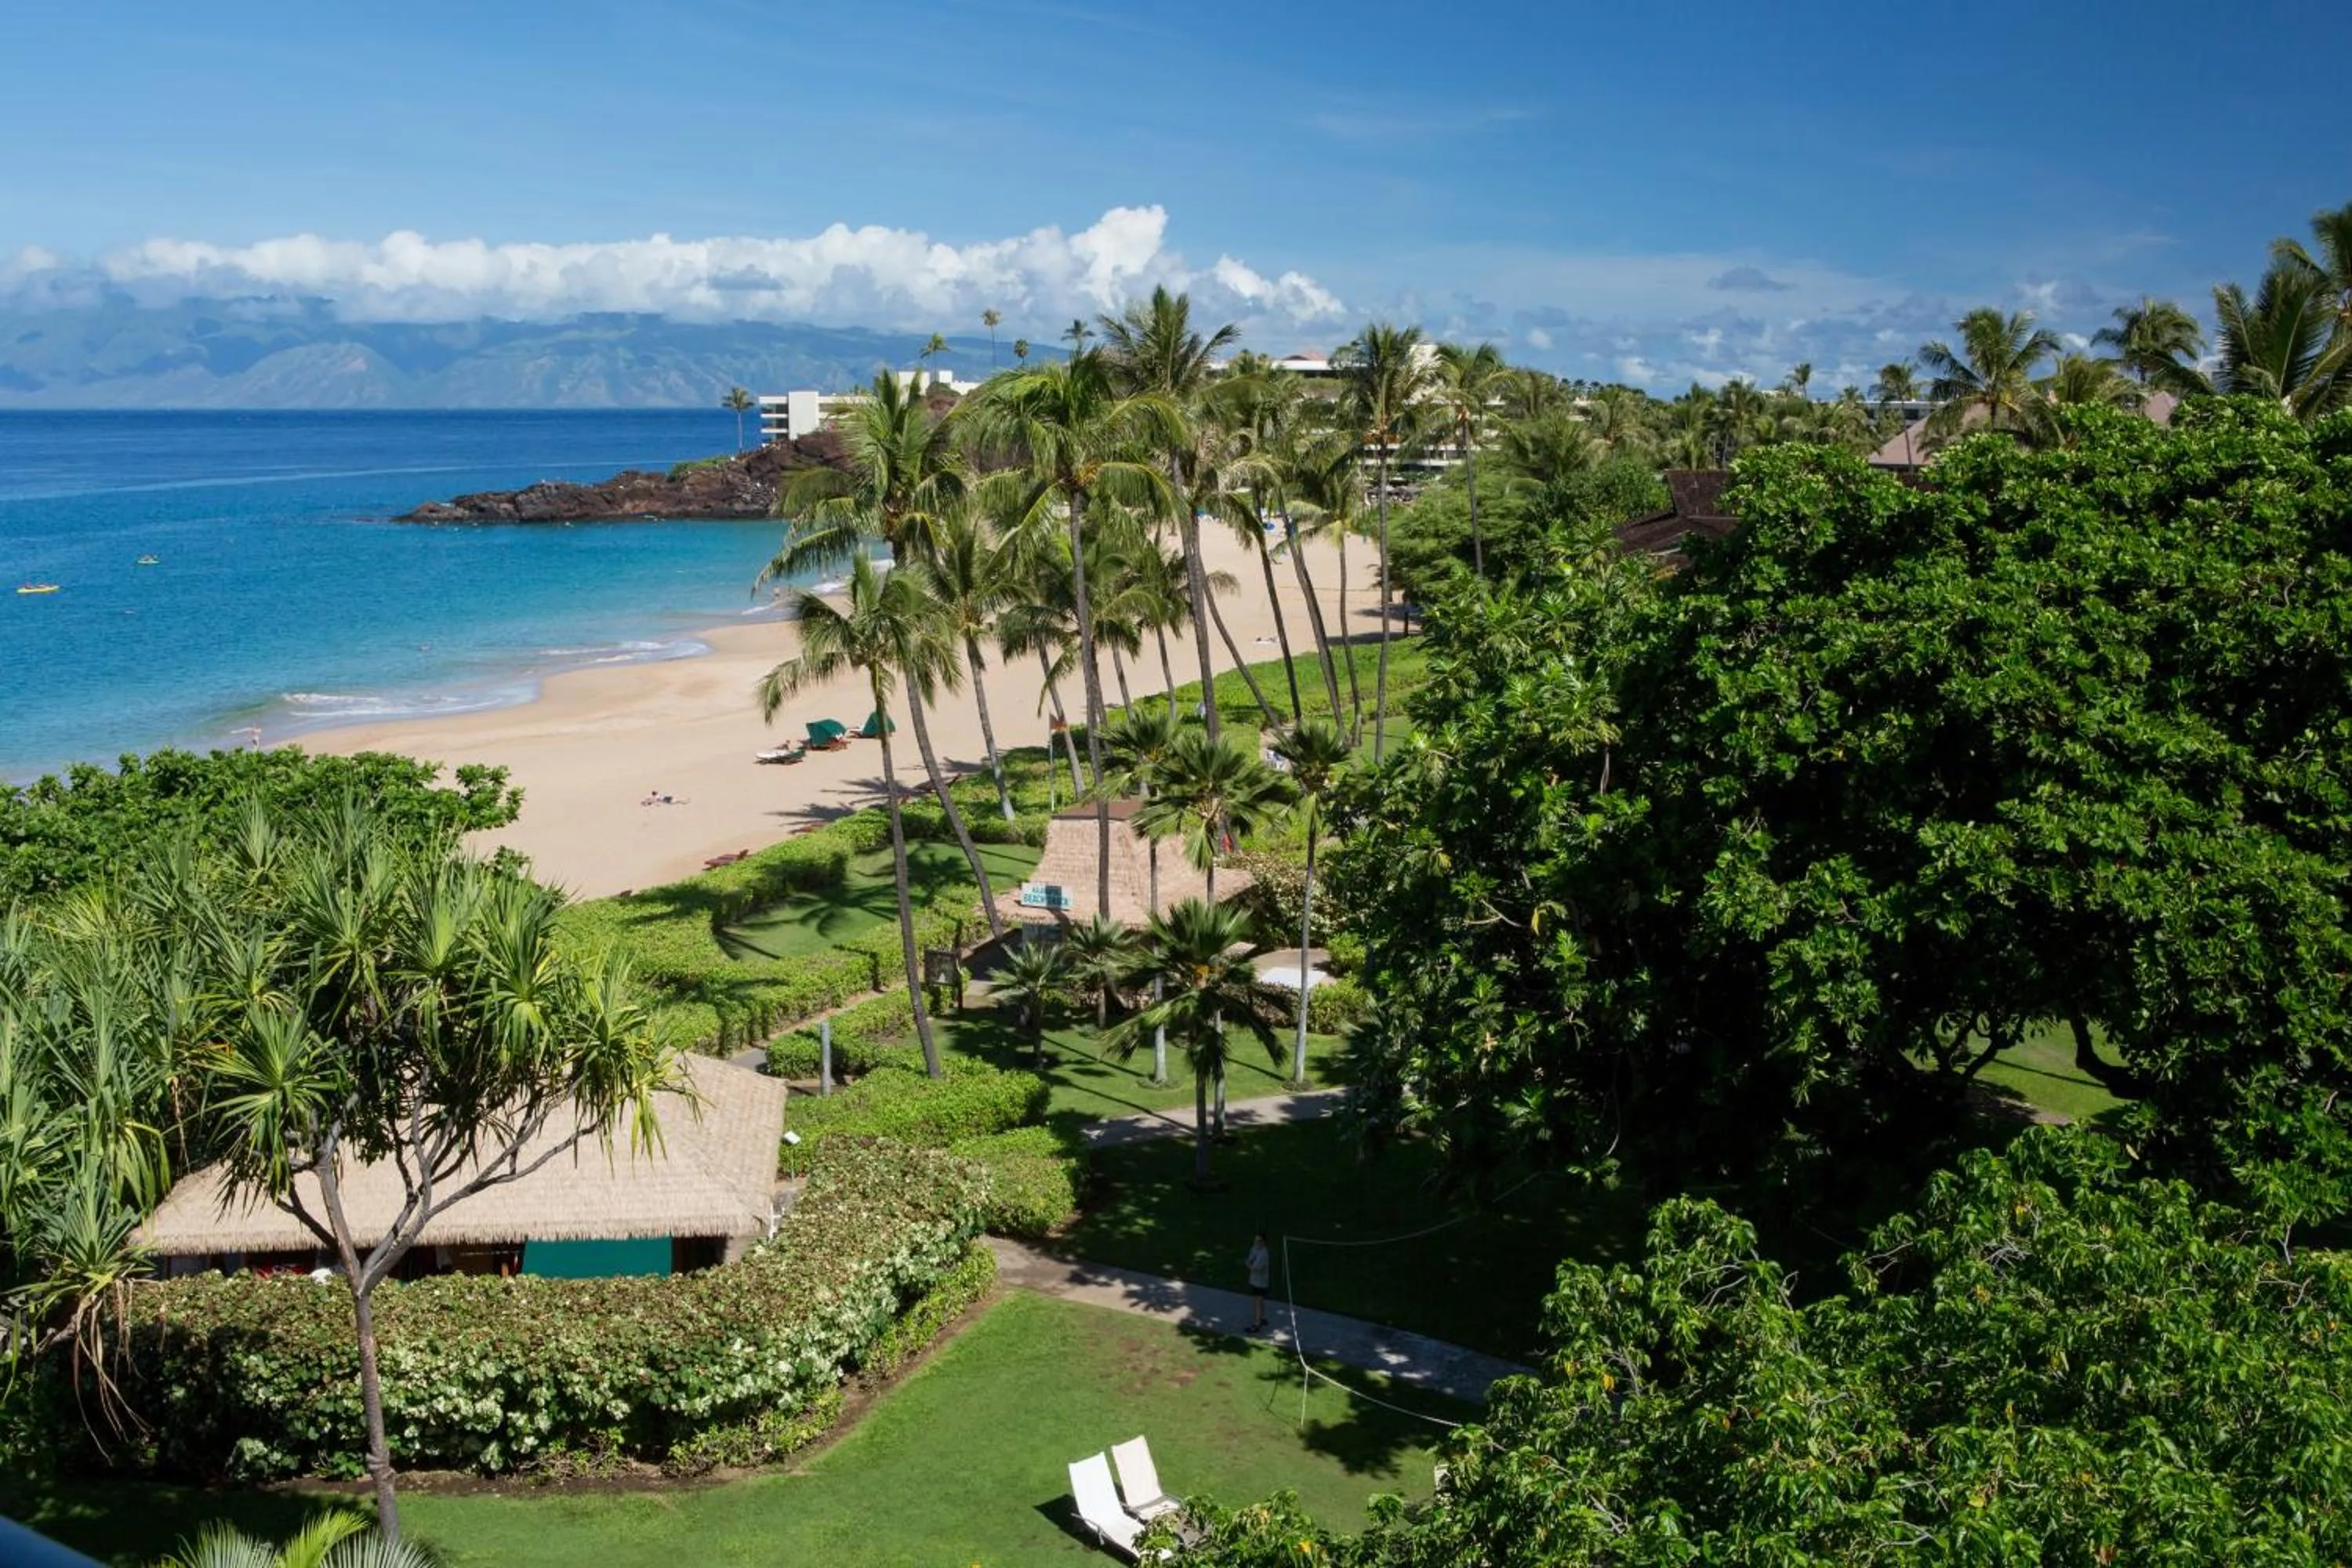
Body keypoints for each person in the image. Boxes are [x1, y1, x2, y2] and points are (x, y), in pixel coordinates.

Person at [1245, 1232, 1272, 1333]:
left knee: (1258, 1302)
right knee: (1260, 1301)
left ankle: (1257, 1324)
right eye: (1256, 1240)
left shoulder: (1263, 1254)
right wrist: (1249, 1262)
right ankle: (1261, 1318)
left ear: (1263, 1242)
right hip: (1255, 1281)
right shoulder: (1255, 1249)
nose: (1256, 1243)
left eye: (1259, 1241)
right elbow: (1250, 1258)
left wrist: (1248, 1265)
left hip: (1261, 1283)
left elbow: (1255, 1268)